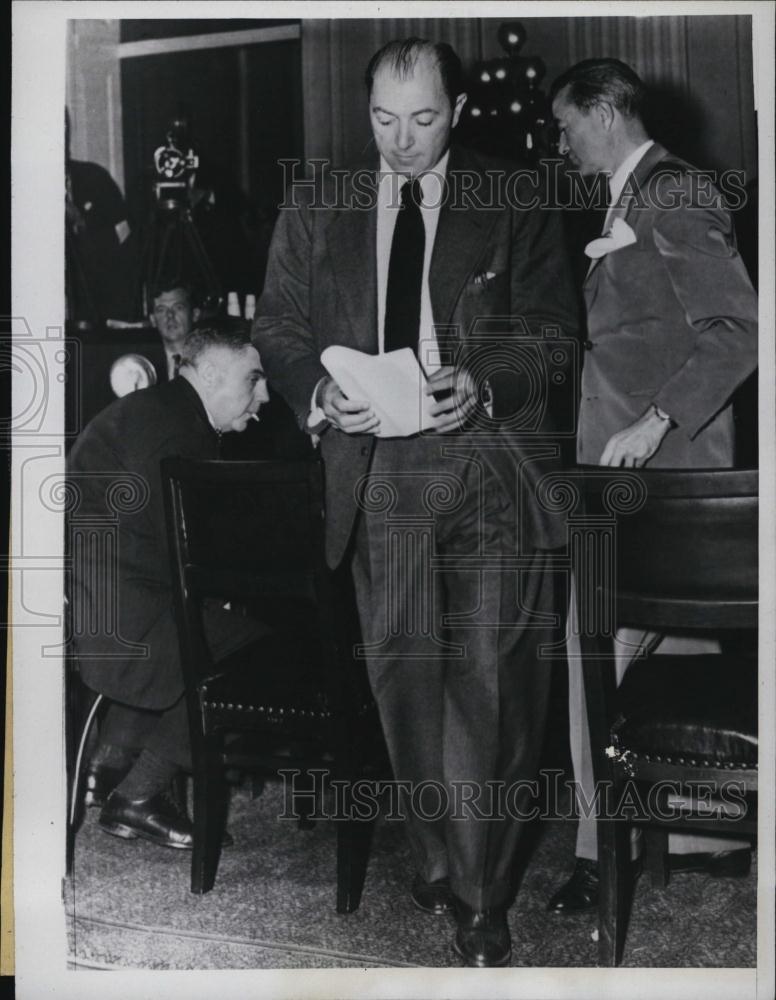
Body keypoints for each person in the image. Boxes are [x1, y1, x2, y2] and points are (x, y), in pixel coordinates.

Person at [254, 38, 578, 966]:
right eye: (385, 120)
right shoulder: (320, 202)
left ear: (461, 110)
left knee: (492, 678)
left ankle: (483, 896)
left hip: (489, 469)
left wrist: (481, 380)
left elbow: (554, 336)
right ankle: (441, 850)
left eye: (425, 119)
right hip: (377, 470)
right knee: (404, 678)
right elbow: (278, 325)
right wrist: (319, 395)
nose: (403, 141)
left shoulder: (513, 197)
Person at [547, 58, 758, 914]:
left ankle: (601, 855)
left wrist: (655, 422)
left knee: (589, 646)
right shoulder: (632, 197)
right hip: (641, 479)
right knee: (673, 648)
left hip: (654, 478)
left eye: (565, 125)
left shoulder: (674, 193)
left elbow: (739, 329)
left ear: (603, 113)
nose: (558, 142)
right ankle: (703, 834)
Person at [67, 323, 270, 849]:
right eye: (254, 380)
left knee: (221, 625)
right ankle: (137, 796)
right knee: (257, 647)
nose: (264, 396)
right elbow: (194, 555)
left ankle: (113, 768)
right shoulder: (175, 430)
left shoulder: (161, 412)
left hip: (105, 607)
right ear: (209, 373)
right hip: (127, 624)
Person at [149, 282, 200, 380]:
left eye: (178, 307)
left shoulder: (209, 360)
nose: (170, 315)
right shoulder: (144, 366)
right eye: (161, 309)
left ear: (195, 314)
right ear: (152, 319)